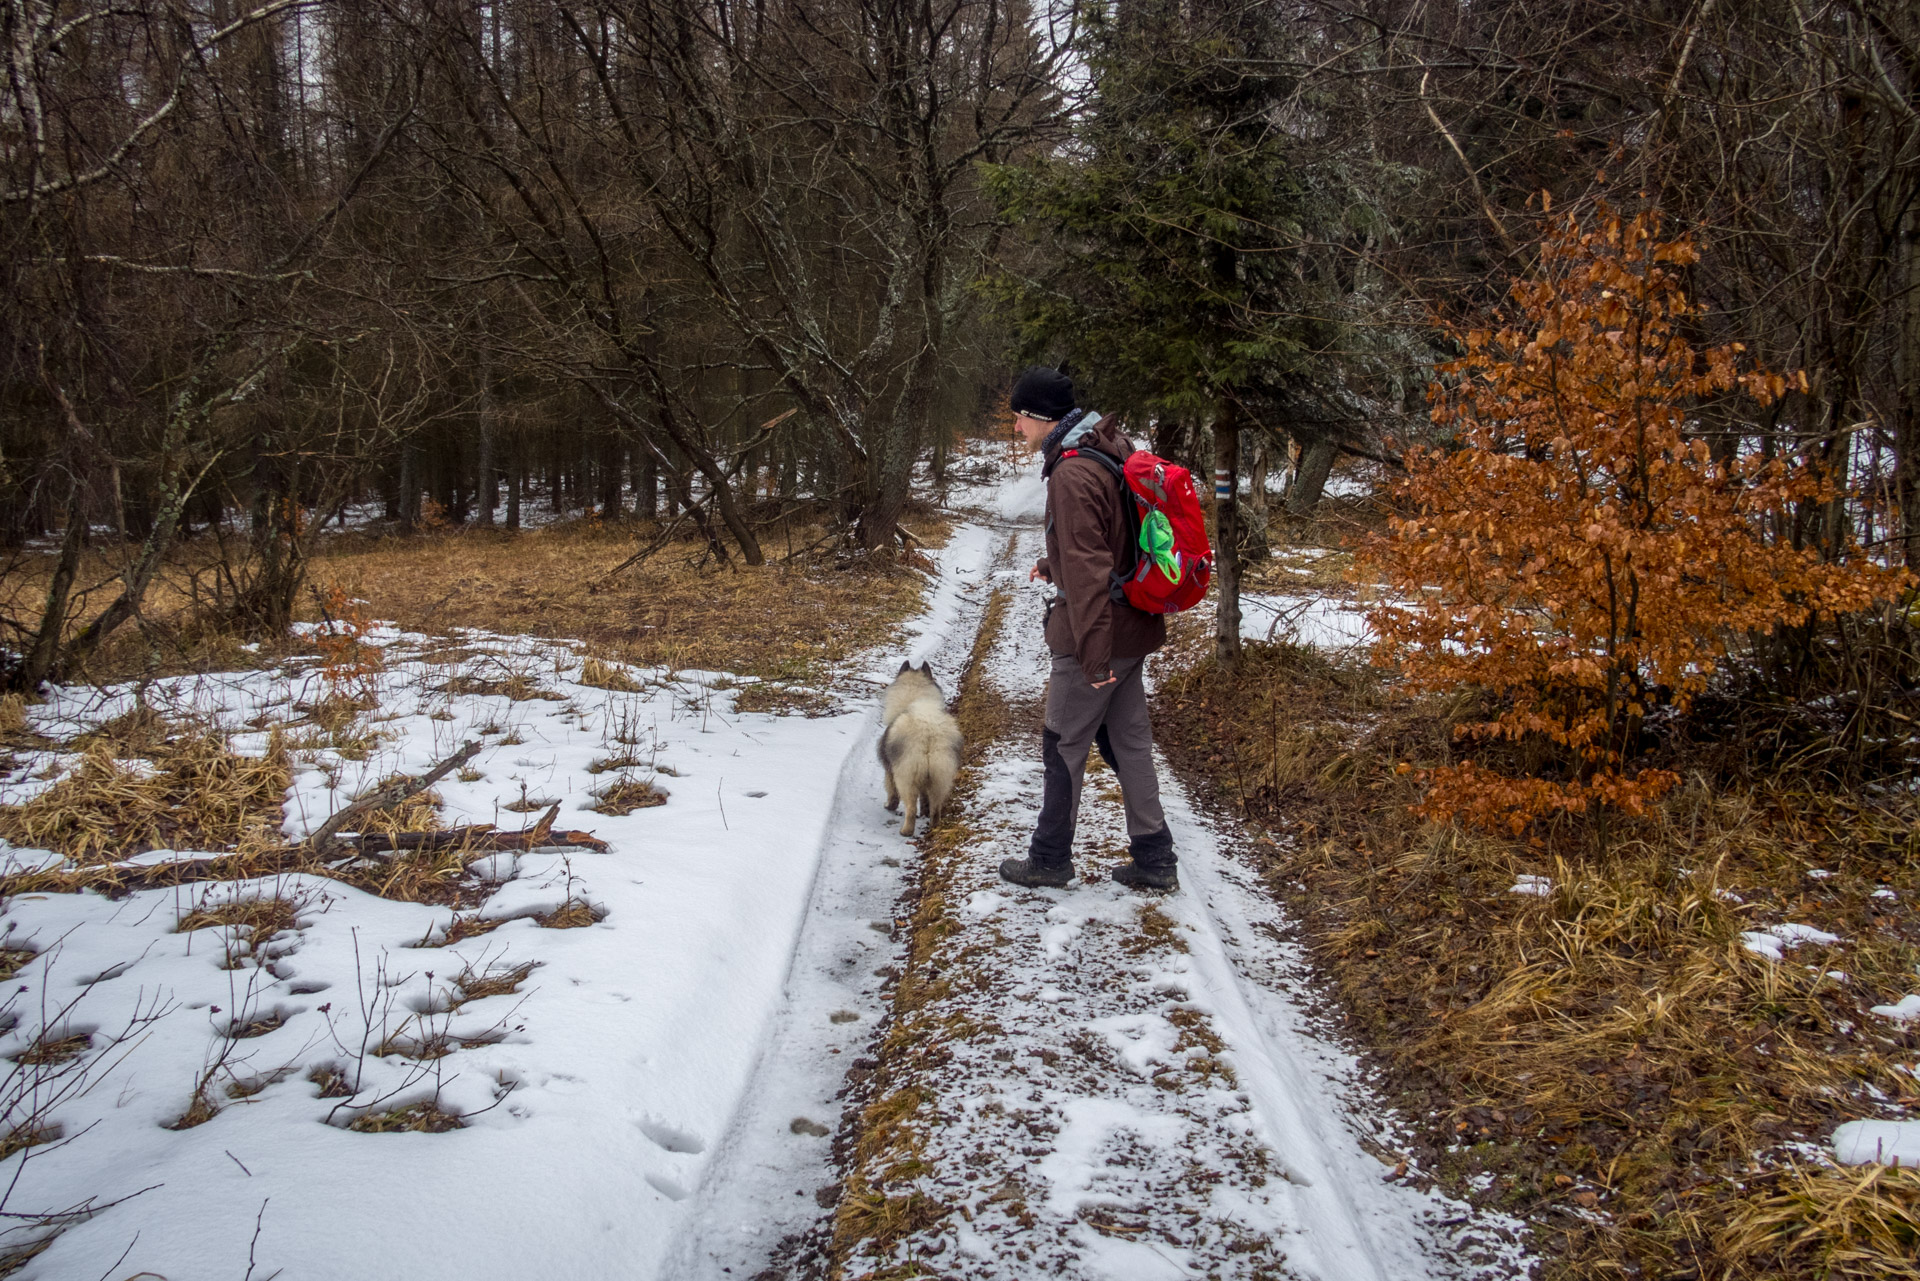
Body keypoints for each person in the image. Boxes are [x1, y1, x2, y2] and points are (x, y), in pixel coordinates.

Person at [998, 366, 1178, 892]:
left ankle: (1049, 858)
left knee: (1062, 744)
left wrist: (1093, 657)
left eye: (1020, 418)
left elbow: (1090, 568)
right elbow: (1110, 537)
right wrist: (1054, 565)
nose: (1016, 429)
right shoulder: (1108, 444)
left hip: (1097, 638)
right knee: (1130, 745)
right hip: (1132, 625)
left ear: (1042, 419)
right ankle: (1155, 857)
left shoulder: (1072, 474)